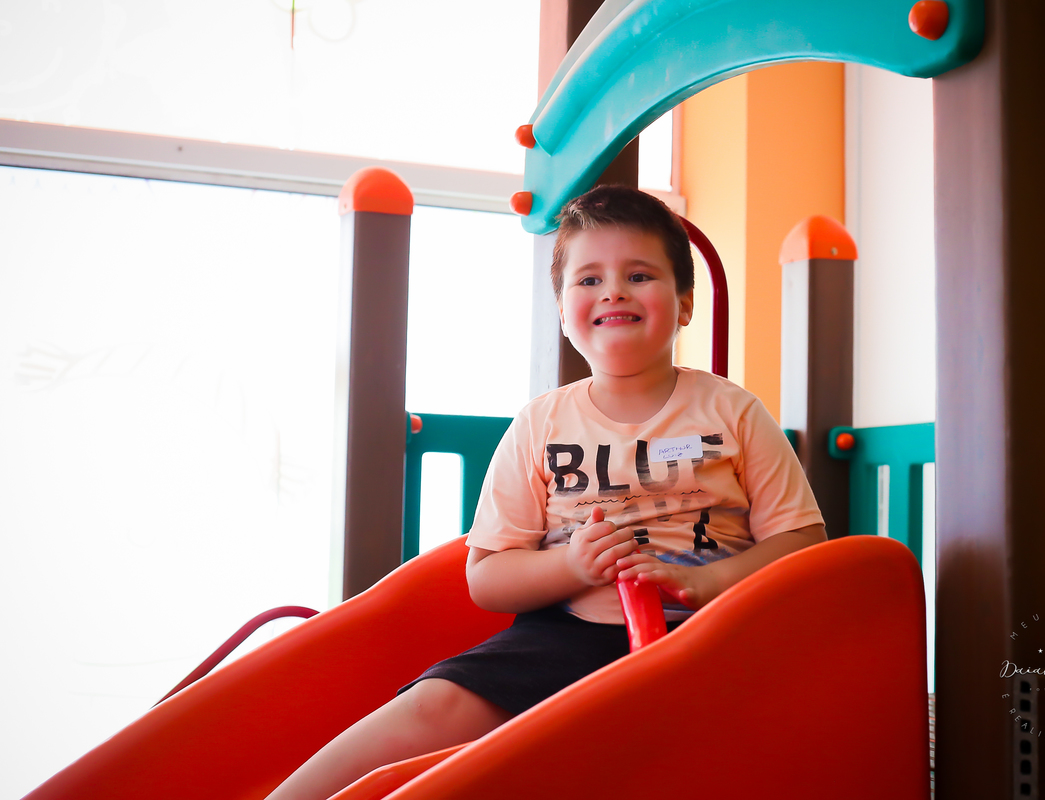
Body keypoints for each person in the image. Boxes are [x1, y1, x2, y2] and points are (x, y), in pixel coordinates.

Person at [266, 185, 826, 800]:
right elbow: (487, 578)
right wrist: (571, 566)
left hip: (714, 635)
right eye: (589, 280)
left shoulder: (734, 412)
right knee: (433, 706)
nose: (613, 291)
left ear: (684, 303)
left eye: (639, 275)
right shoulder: (542, 423)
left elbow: (802, 541)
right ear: (563, 311)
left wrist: (709, 582)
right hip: (568, 635)